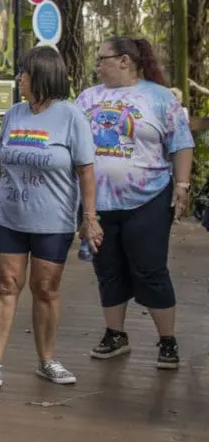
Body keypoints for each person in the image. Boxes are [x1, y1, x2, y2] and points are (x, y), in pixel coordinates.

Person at [0, 47, 102, 388]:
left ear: (42, 76)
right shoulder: (14, 114)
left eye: (24, 74)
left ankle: (47, 360)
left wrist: (89, 218)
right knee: (6, 284)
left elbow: (86, 172)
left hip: (53, 219)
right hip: (9, 216)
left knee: (45, 288)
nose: (19, 79)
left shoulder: (71, 117)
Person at [76, 37, 194, 370]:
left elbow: (181, 144)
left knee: (150, 268)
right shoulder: (87, 98)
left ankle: (167, 340)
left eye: (102, 58)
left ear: (125, 60)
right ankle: (115, 334)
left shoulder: (158, 97)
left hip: (150, 198)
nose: (97, 65)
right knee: (108, 269)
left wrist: (182, 185)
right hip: (97, 203)